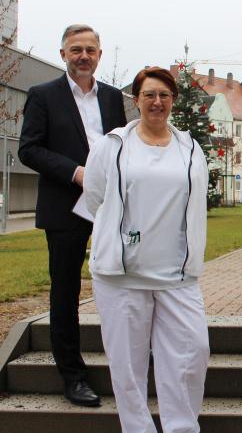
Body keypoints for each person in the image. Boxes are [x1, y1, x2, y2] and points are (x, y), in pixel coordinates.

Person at [83, 67, 210, 433]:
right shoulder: (113, 144)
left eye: (165, 96)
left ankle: (181, 427)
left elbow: (196, 201)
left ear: (173, 100)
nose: (157, 102)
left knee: (192, 352)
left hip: (177, 274)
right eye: (149, 95)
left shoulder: (190, 146)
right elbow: (95, 196)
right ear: (136, 100)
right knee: (127, 365)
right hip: (122, 276)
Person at [17, 24, 127, 407]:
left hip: (111, 206)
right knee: (66, 291)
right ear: (63, 53)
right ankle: (73, 376)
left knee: (123, 279)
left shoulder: (113, 98)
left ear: (100, 54)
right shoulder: (42, 95)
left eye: (90, 50)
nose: (83, 56)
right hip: (66, 206)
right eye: (75, 49)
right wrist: (75, 172)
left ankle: (127, 366)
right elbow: (28, 149)